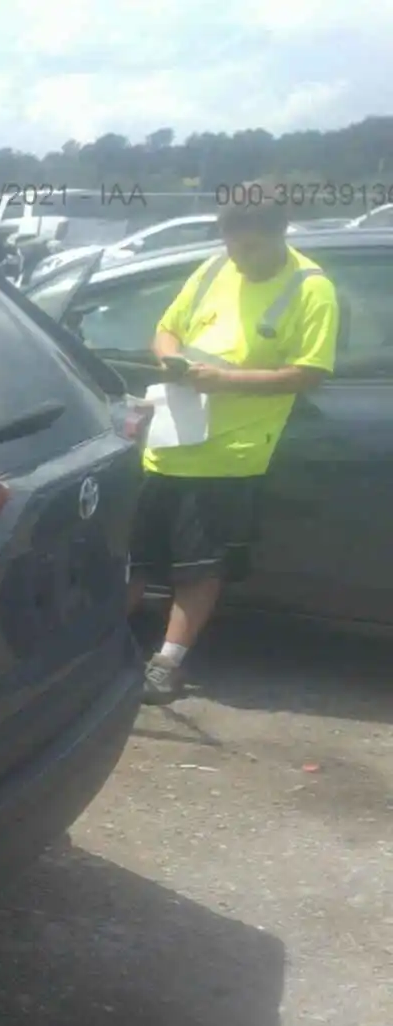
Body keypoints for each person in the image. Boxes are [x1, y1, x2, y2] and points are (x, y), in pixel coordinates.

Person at [131, 190, 339, 702]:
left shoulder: (311, 289)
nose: (242, 260)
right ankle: (94, 649)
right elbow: (166, 329)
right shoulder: (211, 269)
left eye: (253, 250)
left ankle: (167, 663)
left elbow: (309, 374)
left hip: (231, 454)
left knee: (198, 567)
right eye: (234, 248)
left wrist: (225, 382)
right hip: (168, 441)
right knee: (135, 558)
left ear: (280, 234)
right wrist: (171, 358)